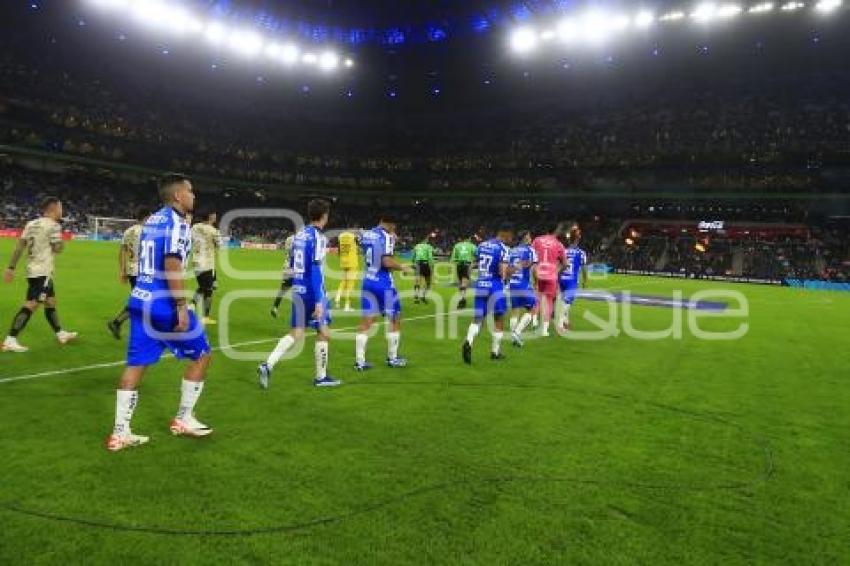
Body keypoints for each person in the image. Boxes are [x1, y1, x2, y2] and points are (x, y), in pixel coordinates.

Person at [106, 174, 213, 452]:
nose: (194, 195)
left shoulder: (151, 220)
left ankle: (120, 433)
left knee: (136, 364)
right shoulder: (177, 223)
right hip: (163, 303)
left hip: (139, 299)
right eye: (190, 191)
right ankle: (183, 419)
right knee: (203, 353)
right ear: (178, 195)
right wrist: (180, 306)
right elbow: (171, 265)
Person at [257, 199, 340, 388]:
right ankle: (321, 377)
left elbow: (293, 263)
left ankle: (268, 364)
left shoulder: (299, 236)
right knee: (324, 333)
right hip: (313, 292)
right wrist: (319, 300)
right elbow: (317, 271)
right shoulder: (319, 238)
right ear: (325, 216)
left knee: (296, 332)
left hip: (299, 289)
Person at [2, 196, 77, 353]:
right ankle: (10, 339)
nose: (62, 211)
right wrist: (61, 240)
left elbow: (19, 247)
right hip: (43, 271)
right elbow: (58, 249)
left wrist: (11, 267)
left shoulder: (31, 223)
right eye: (60, 208)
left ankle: (60, 333)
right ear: (53, 209)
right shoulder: (54, 226)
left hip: (32, 270)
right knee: (32, 304)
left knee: (50, 301)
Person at [354, 213, 413, 371]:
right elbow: (386, 261)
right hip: (383, 283)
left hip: (368, 281)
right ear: (392, 224)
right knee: (395, 318)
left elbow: (362, 243)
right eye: (394, 226)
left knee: (367, 321)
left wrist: (391, 240)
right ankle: (392, 358)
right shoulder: (387, 237)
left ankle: (359, 361)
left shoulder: (368, 234)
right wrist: (402, 267)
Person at [462, 222, 515, 364]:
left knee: (477, 318)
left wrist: (466, 280)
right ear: (506, 234)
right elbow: (502, 272)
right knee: (499, 318)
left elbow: (473, 264)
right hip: (495, 286)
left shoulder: (482, 245)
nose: (511, 239)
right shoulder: (504, 249)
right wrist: (513, 270)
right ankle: (495, 352)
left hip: (480, 284)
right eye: (511, 236)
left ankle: (468, 341)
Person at [108, 208, 151, 340]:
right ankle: (117, 322)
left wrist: (123, 270)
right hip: (143, 271)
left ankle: (121, 323)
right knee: (142, 301)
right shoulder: (148, 231)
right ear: (147, 217)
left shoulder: (129, 231)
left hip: (132, 269)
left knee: (142, 300)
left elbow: (122, 252)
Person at [532, 223, 566, 337]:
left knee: (538, 297)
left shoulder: (537, 240)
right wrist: (557, 270)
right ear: (556, 230)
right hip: (551, 275)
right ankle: (544, 329)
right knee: (549, 301)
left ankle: (534, 320)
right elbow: (565, 263)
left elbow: (532, 256)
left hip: (539, 273)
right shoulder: (559, 244)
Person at [507, 230, 538, 347]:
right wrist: (536, 282)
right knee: (532, 308)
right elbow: (535, 269)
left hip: (513, 283)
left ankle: (514, 338)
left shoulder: (512, 250)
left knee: (515, 310)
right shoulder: (531, 251)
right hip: (524, 284)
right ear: (525, 238)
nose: (531, 238)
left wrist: (508, 281)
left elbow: (509, 269)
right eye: (529, 236)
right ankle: (517, 333)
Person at [191, 210, 221, 325]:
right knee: (208, 291)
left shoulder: (194, 227)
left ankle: (192, 304)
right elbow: (220, 245)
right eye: (214, 215)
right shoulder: (213, 231)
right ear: (210, 216)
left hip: (196, 262)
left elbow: (191, 240)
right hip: (207, 263)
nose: (215, 217)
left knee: (202, 286)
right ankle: (205, 316)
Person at [558, 227, 589, 332]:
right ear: (577, 240)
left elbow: (559, 265)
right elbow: (584, 269)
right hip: (571, 280)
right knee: (567, 302)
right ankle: (560, 324)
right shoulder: (581, 253)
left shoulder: (564, 251)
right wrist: (585, 280)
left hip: (561, 278)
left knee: (564, 301)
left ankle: (566, 321)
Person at [270, 232, 296, 318]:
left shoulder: (288, 239)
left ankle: (275, 307)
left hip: (286, 267)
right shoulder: (299, 240)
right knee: (302, 290)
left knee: (283, 289)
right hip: (295, 268)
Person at [334, 229, 360, 312]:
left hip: (344, 262)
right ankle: (347, 306)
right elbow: (359, 247)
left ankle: (337, 298)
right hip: (352, 262)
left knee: (343, 281)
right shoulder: (353, 237)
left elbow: (339, 250)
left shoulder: (341, 237)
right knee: (350, 284)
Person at [451, 237, 477, 309]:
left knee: (461, 282)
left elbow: (453, 258)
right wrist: (473, 263)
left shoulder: (457, 245)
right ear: (469, 238)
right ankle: (462, 299)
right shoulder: (472, 246)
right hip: (467, 265)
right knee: (465, 282)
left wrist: (450, 267)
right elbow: (478, 255)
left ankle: (462, 298)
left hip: (459, 265)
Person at [411, 236, 435, 304]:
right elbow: (430, 257)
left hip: (418, 264)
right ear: (425, 240)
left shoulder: (417, 246)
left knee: (417, 280)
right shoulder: (429, 246)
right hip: (425, 264)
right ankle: (423, 296)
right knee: (428, 281)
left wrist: (413, 262)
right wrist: (432, 265)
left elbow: (413, 256)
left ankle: (416, 296)